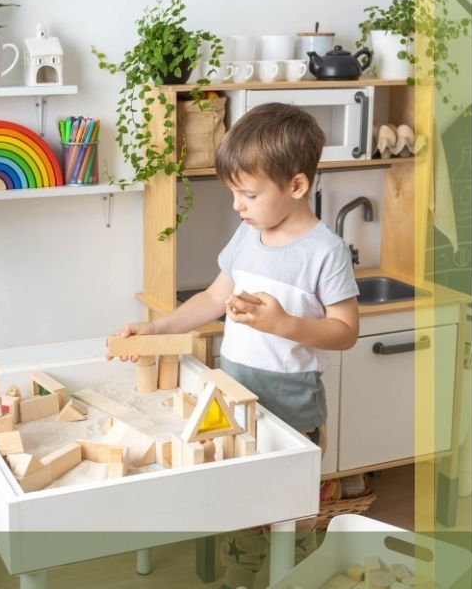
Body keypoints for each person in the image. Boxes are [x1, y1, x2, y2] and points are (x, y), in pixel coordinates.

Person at [113, 102, 360, 589]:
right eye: (234, 194)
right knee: (241, 507)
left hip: (292, 407)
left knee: (290, 513)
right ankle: (239, 578)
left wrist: (283, 323)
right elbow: (212, 297)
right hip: (234, 397)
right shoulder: (248, 235)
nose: (237, 206)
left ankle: (299, 576)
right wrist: (160, 328)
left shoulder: (325, 252)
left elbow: (345, 331)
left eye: (248, 194)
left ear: (296, 186)